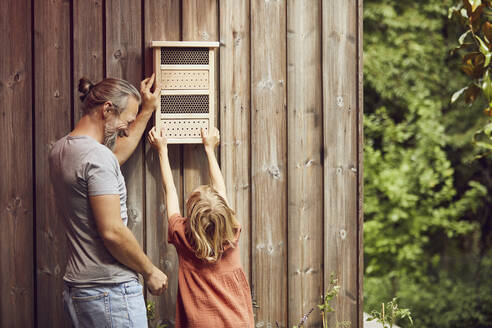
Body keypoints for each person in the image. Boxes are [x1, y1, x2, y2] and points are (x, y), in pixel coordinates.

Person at [49, 74, 167, 328]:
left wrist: (146, 110)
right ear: (107, 109)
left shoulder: (61, 150)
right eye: (127, 121)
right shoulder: (97, 158)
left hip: (79, 292)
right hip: (110, 293)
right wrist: (150, 271)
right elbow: (112, 231)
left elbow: (113, 158)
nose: (127, 128)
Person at [148, 126, 254, 328]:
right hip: (237, 321)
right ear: (223, 215)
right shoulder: (231, 231)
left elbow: (169, 190)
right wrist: (209, 149)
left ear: (191, 218)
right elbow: (220, 190)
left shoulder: (182, 235)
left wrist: (162, 151)